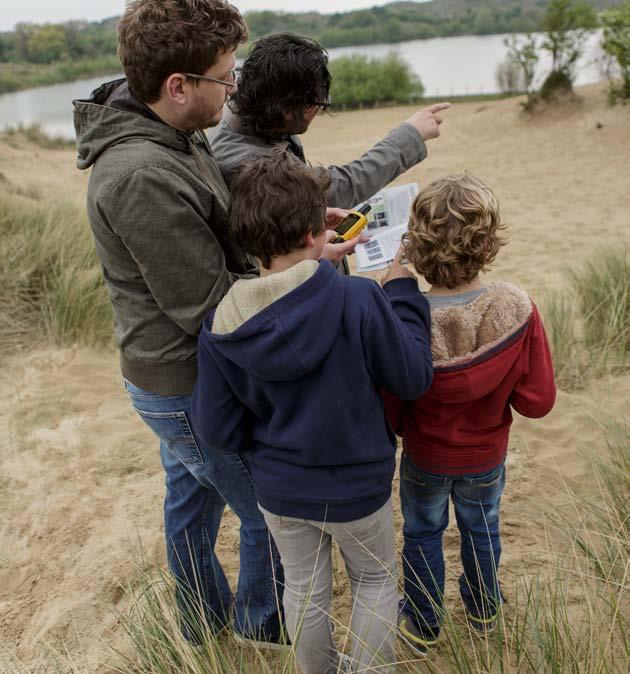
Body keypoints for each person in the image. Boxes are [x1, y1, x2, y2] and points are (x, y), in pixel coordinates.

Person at [73, 0, 293, 647]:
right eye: (225, 76)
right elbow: (210, 305)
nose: (234, 87)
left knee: (191, 502)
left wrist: (290, 237)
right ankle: (259, 631)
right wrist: (298, 277)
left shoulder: (169, 130)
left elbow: (213, 218)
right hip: (183, 382)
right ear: (179, 86)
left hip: (178, 374)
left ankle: (199, 626)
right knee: (268, 509)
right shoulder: (138, 173)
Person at [191, 146, 434, 674]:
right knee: (373, 582)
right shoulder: (360, 300)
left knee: (303, 587)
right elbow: (414, 377)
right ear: (314, 234)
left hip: (279, 490)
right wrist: (403, 294)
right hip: (358, 485)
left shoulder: (221, 326)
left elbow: (218, 430)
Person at [383, 173, 556, 656]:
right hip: (485, 457)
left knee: (421, 534)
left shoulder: (405, 314)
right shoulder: (515, 308)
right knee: (482, 529)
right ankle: (483, 609)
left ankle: (422, 622)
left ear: (415, 244)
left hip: (425, 457)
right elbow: (538, 401)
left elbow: (391, 400)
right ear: (487, 244)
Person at [211, 33, 449, 271]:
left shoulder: (257, 118)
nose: (318, 109)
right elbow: (337, 186)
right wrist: (410, 136)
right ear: (285, 109)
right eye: (316, 103)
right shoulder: (247, 164)